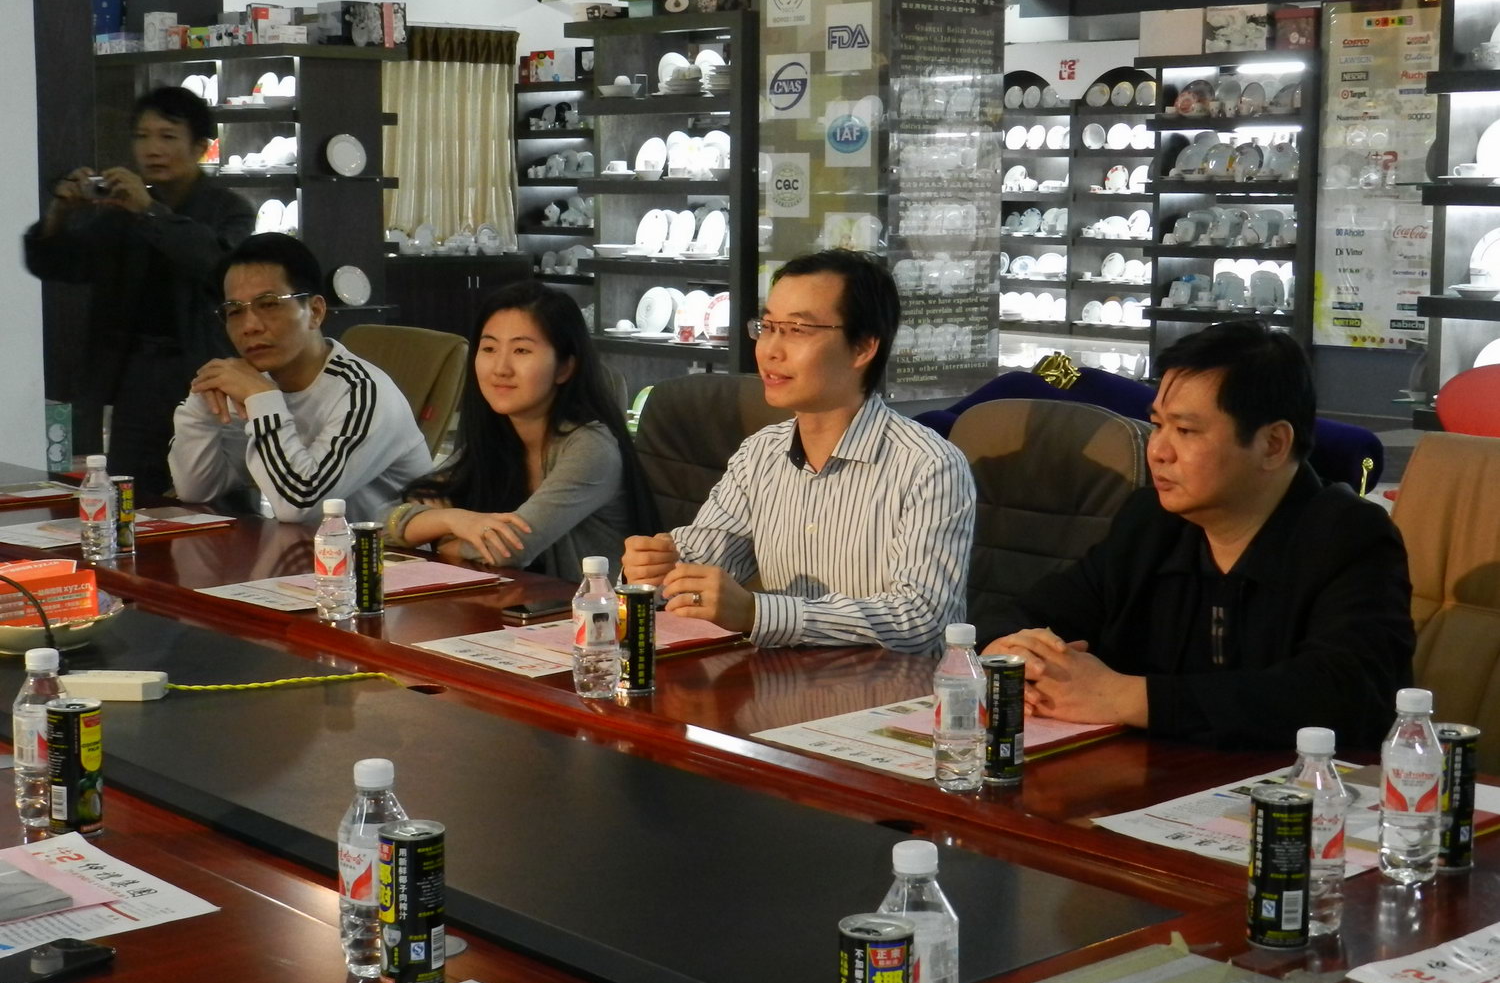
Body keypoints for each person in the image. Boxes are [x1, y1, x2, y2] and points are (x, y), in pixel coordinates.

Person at [977, 320, 1414, 751]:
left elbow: (1343, 694)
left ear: (1273, 444)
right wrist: (1014, 651)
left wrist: (1123, 696)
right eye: (1157, 425)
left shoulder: (1349, 536)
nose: (1158, 451)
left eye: (1185, 431)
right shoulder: (1150, 522)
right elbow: (1028, 612)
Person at [621, 249, 974, 656]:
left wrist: (756, 612)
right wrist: (658, 567)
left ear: (862, 348)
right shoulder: (760, 453)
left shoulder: (930, 466)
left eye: (796, 330)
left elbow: (919, 619)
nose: (769, 350)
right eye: (767, 326)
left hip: (888, 689)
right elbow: (707, 558)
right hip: (779, 679)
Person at [25, 85, 255, 497]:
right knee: (131, 489)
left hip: (204, 372)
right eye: (142, 136)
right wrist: (60, 212)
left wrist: (149, 211)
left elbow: (217, 266)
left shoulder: (228, 208)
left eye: (167, 136)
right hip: (133, 377)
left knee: (217, 493)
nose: (152, 149)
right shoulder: (121, 211)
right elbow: (62, 266)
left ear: (200, 146)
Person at [383, 281, 657, 583]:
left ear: (564, 367)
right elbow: (381, 524)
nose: (500, 368)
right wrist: (453, 520)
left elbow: (509, 550)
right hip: (517, 604)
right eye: (489, 348)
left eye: (521, 350)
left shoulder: (590, 446)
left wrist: (442, 542)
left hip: (590, 609)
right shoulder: (498, 438)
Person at [168, 233, 431, 524]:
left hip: (384, 550)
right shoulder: (253, 383)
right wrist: (202, 404)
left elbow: (301, 503)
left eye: (269, 304)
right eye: (234, 311)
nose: (249, 326)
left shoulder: (363, 392)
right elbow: (197, 489)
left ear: (315, 312)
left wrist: (263, 401)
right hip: (304, 548)